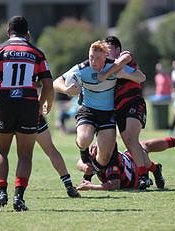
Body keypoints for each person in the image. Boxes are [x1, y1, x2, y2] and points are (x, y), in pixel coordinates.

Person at [0, 16, 54, 211]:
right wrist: (40, 104)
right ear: (27, 33)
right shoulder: (37, 53)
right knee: (25, 155)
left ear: (8, 33)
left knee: (1, 151)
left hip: (3, 104)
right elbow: (48, 84)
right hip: (28, 104)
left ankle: (1, 192)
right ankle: (18, 197)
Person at [53, 40, 145, 188]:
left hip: (107, 113)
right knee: (84, 139)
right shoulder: (82, 68)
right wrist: (66, 89)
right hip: (88, 110)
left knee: (104, 156)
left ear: (105, 57)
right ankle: (84, 157)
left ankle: (90, 171)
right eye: (91, 57)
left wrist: (125, 74)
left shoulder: (113, 66)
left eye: (97, 58)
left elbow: (141, 77)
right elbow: (56, 82)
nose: (93, 61)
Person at [96, 35, 152, 190]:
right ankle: (154, 168)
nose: (106, 54)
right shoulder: (102, 67)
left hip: (134, 102)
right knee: (129, 142)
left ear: (117, 50)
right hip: (118, 110)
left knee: (130, 137)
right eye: (104, 51)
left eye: (109, 50)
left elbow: (141, 77)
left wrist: (119, 74)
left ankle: (142, 176)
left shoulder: (123, 57)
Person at [76, 128, 175, 191]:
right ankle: (156, 167)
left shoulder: (112, 165)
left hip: (132, 170)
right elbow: (80, 163)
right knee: (142, 147)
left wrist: (90, 186)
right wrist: (85, 168)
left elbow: (114, 185)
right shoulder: (100, 154)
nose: (96, 145)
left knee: (141, 148)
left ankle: (155, 167)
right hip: (131, 171)